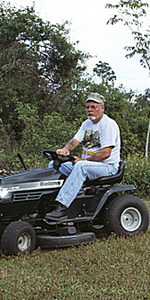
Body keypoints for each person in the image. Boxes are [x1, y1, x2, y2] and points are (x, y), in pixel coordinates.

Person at [45, 92, 121, 220]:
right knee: (55, 165)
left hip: (107, 167)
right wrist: (65, 149)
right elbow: (75, 141)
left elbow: (105, 153)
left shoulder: (108, 124)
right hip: (89, 164)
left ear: (101, 108)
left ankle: (62, 207)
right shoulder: (86, 124)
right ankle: (57, 198)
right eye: (87, 107)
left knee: (80, 166)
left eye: (93, 107)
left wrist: (85, 160)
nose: (89, 110)